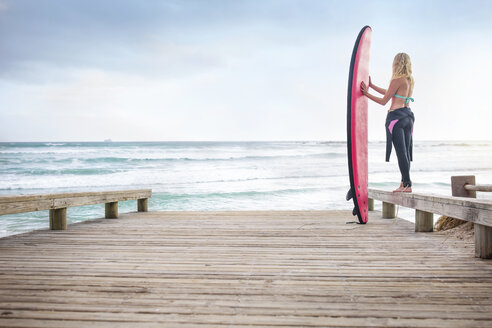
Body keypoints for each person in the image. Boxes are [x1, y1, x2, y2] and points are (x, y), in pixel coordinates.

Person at [360, 53, 415, 192]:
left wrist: (366, 94)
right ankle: (405, 183)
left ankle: (407, 185)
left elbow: (384, 101)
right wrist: (371, 86)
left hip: (396, 118)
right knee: (406, 153)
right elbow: (390, 93)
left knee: (401, 153)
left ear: (396, 63)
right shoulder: (409, 80)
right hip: (408, 117)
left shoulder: (397, 79)